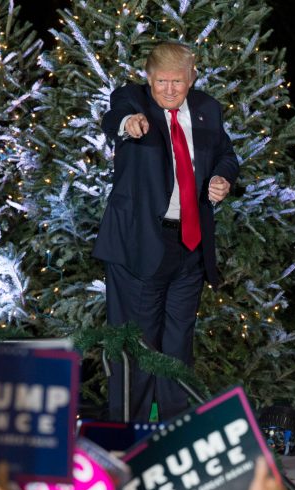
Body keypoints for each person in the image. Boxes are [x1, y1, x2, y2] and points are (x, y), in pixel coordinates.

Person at [94, 41, 239, 422]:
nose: (170, 90)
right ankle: (128, 438)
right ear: (148, 77)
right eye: (161, 82)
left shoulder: (207, 109)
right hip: (137, 246)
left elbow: (226, 154)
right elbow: (116, 118)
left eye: (178, 81)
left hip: (189, 245)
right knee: (136, 346)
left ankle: (176, 435)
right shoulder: (133, 99)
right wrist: (130, 124)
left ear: (192, 76)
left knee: (178, 347)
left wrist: (223, 177)